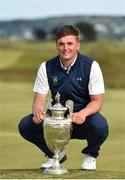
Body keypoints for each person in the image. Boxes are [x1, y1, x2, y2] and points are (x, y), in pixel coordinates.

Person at [18, 25, 109, 170]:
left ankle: (90, 155)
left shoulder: (91, 66)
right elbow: (39, 100)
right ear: (56, 45)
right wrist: (38, 113)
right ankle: (55, 154)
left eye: (70, 43)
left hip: (81, 120)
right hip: (56, 120)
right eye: (61, 44)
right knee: (25, 125)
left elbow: (97, 101)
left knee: (100, 126)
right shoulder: (46, 66)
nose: (65, 48)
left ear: (78, 45)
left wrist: (83, 114)